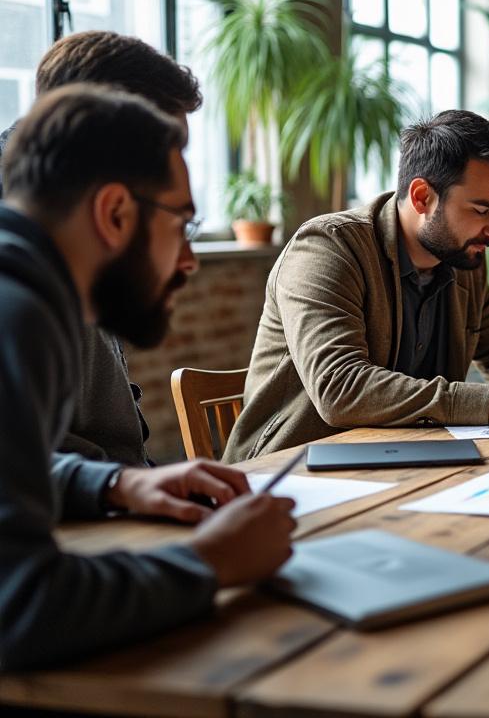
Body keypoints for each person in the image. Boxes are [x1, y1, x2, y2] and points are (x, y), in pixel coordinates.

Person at [0, 85, 295, 670]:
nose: (189, 259)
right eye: (182, 223)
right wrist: (212, 562)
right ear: (114, 213)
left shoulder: (29, 292)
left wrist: (110, 485)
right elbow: (19, 608)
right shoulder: (19, 313)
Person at [224, 110, 489, 462]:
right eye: (481, 210)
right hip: (289, 472)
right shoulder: (327, 248)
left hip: (409, 462)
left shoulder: (464, 260)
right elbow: (340, 388)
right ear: (422, 196)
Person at [0, 30, 205, 467]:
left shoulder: (71, 231)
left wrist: (125, 483)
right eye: (165, 143)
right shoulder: (22, 277)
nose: (175, 166)